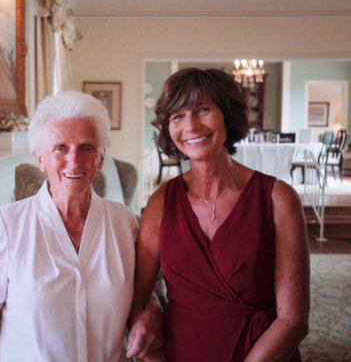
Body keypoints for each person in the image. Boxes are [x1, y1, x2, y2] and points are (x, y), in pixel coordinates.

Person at [128, 68, 310, 361]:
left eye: (203, 109)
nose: (191, 125)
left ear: (228, 115)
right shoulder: (161, 202)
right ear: (169, 129)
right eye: (178, 116)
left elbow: (293, 320)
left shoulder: (278, 198)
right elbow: (136, 302)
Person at [0, 90, 159, 361]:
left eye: (87, 148)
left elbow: (144, 299)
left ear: (101, 158)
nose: (74, 160)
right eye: (60, 148)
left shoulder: (125, 223)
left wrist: (153, 313)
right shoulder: (8, 224)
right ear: (41, 158)